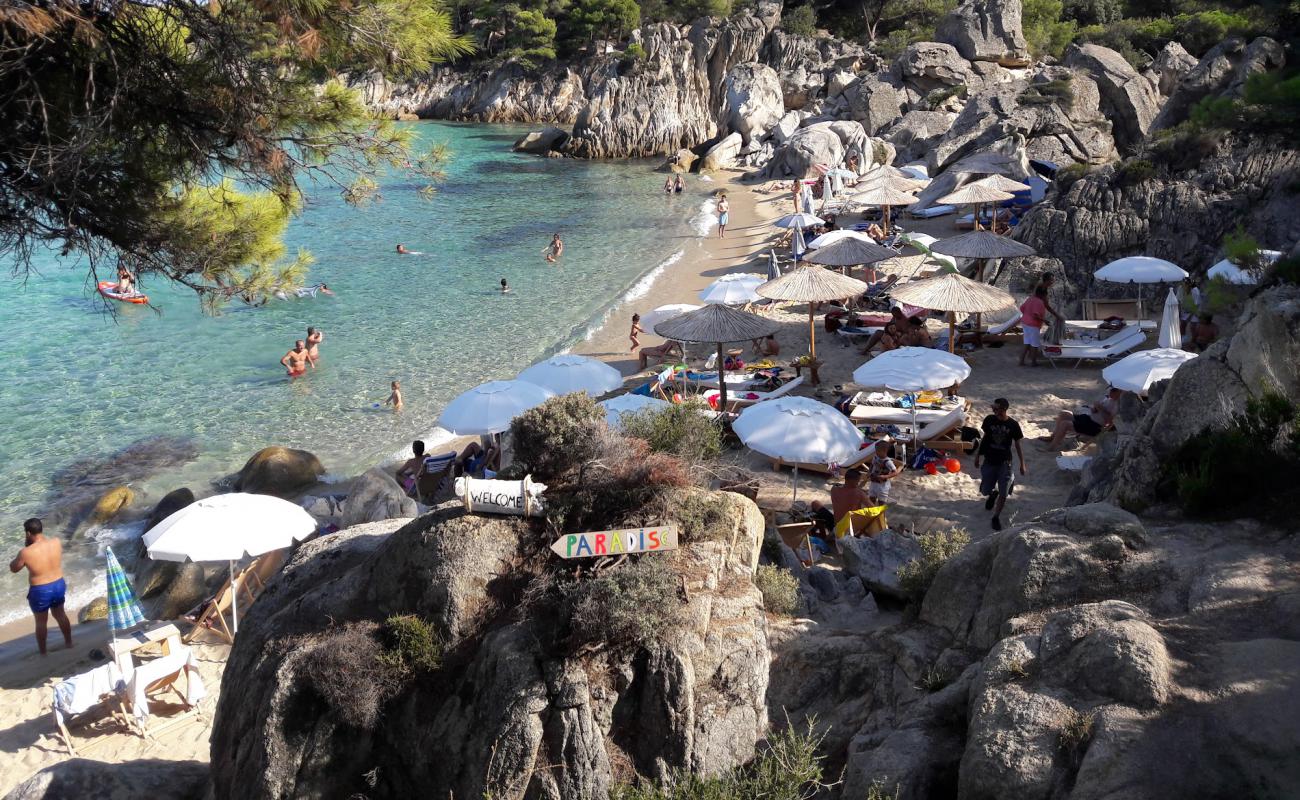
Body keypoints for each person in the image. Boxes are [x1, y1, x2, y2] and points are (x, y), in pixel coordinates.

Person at [9, 519, 72, 656]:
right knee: (60, 614)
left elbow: (14, 568)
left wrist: (26, 548)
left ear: (28, 533)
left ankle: (43, 653)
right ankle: (69, 643)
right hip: (59, 584)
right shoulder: (56, 542)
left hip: (41, 589)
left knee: (41, 621)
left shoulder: (25, 552)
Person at [975, 398, 1026, 531]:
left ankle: (996, 517)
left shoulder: (1013, 425)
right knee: (985, 490)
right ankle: (993, 493)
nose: (993, 410)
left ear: (1003, 409)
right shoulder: (989, 420)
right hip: (990, 460)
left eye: (996, 408)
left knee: (1004, 491)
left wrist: (1022, 463)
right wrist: (977, 456)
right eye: (993, 408)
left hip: (1005, 461)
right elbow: (985, 438)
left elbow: (1018, 444)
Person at [1040, 386, 1123, 450]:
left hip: (1095, 426)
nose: (1110, 393)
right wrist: (1095, 408)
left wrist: (1100, 409)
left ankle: (1052, 447)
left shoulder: (1118, 405)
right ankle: (1052, 437)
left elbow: (1110, 421)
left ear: (1119, 392)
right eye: (1110, 390)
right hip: (1089, 418)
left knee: (1065, 424)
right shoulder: (1108, 398)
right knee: (1064, 414)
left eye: (1112, 391)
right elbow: (1096, 409)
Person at [1019, 285, 1059, 366]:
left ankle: (1021, 361)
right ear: (1043, 295)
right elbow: (1035, 315)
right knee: (1034, 344)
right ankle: (1033, 362)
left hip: (1025, 323)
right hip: (1033, 325)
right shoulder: (1039, 302)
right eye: (1047, 296)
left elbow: (1021, 308)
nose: (1047, 298)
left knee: (1027, 342)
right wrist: (1045, 321)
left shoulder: (1030, 299)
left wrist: (1027, 315)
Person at [866, 441, 903, 505]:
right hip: (873, 482)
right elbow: (872, 465)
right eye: (876, 450)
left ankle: (881, 514)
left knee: (881, 501)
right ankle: (873, 513)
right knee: (871, 499)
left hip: (882, 485)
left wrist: (886, 476)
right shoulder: (875, 457)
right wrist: (869, 472)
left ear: (884, 451)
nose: (876, 452)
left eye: (878, 451)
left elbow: (895, 472)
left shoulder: (888, 462)